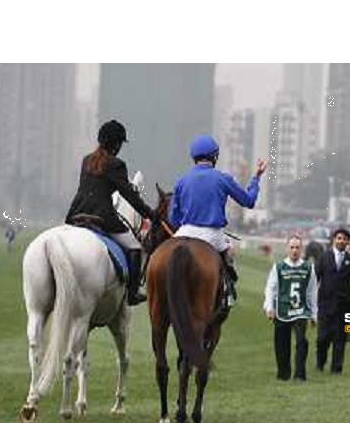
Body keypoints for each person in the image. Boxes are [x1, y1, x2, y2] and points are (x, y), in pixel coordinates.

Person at [65, 119, 157, 306]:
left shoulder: (86, 160)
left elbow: (82, 191)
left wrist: (69, 218)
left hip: (77, 214)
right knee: (135, 248)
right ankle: (132, 293)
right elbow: (129, 196)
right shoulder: (116, 164)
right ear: (116, 144)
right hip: (103, 218)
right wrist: (149, 214)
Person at [168, 134, 267, 299]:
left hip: (184, 231)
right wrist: (256, 177)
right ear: (215, 156)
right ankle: (227, 295)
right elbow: (249, 201)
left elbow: (173, 218)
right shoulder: (223, 178)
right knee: (230, 254)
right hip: (213, 235)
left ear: (194, 157)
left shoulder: (181, 181)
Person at [263, 235, 318, 381]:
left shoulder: (308, 267)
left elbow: (312, 292)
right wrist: (269, 307)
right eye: (292, 247)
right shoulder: (279, 267)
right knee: (282, 344)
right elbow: (270, 288)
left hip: (301, 311)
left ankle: (300, 374)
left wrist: (314, 314)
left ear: (302, 249)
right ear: (287, 249)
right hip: (282, 310)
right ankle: (284, 373)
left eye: (297, 247)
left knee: (302, 342)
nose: (294, 250)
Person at [315, 227, 350, 374]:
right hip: (325, 305)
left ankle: (336, 369)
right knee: (322, 339)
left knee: (340, 340)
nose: (341, 241)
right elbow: (315, 278)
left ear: (348, 242)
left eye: (344, 239)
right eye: (339, 238)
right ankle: (320, 364)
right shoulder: (324, 257)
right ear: (334, 240)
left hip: (344, 306)